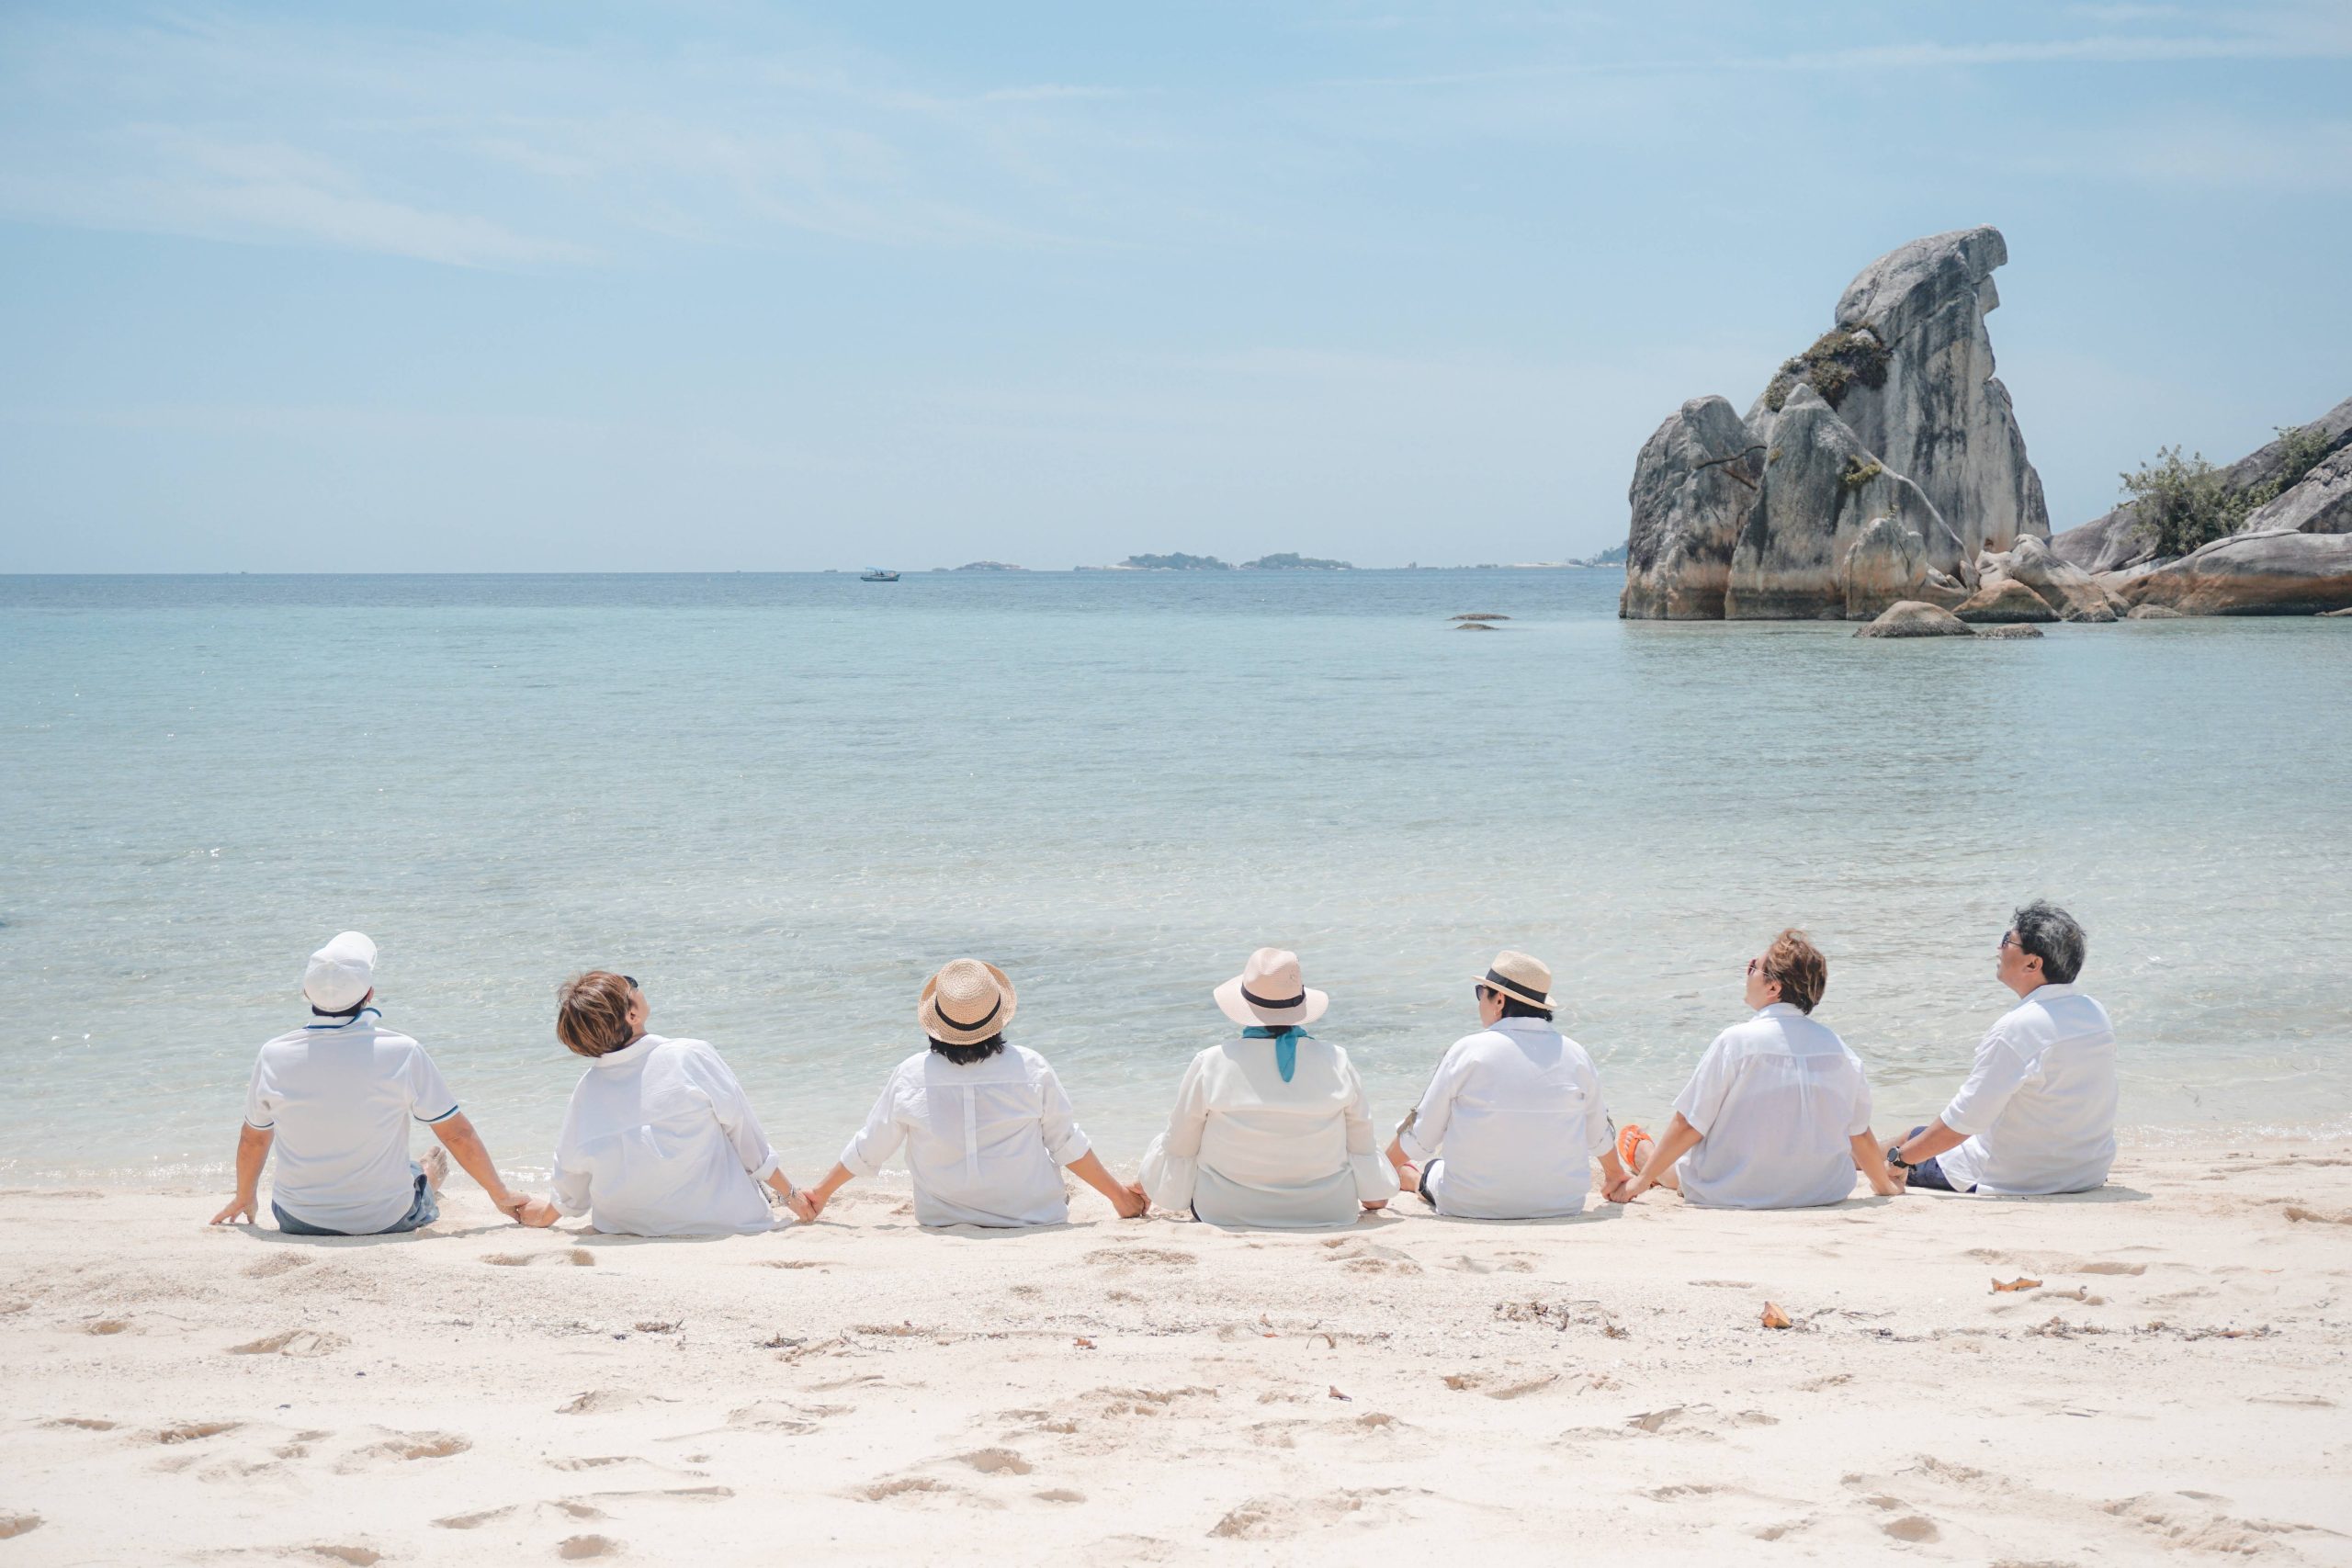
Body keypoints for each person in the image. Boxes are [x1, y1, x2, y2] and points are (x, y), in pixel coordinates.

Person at [211, 931, 549, 1233]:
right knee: (421, 1169)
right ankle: (427, 1175)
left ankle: (422, 1170)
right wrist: (500, 1194)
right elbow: (457, 1134)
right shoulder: (402, 1051)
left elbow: (253, 1139)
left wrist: (245, 1196)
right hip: (388, 1218)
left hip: (297, 1219)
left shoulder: (273, 1054)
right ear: (370, 994)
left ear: (305, 992)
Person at [799, 960, 1145, 1227]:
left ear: (935, 1020)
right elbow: (1067, 1143)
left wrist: (820, 1194)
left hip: (941, 1217)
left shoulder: (910, 1074)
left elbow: (871, 1145)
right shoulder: (1031, 1068)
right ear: (999, 1018)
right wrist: (1120, 1198)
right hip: (1033, 1214)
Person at [1612, 930, 1900, 1208]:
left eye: (1753, 967)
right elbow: (1859, 1134)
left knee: (1679, 1171)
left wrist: (1637, 1185)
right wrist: (1884, 1187)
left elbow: (1689, 1124)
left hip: (1734, 1189)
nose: (1747, 972)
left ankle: (1643, 1156)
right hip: (1822, 1190)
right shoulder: (1842, 1051)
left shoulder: (1736, 1042)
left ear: (1774, 988)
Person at [521, 971, 818, 1235]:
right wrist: (792, 1197)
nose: (637, 986)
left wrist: (546, 1215)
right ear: (632, 1016)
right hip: (719, 1219)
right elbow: (746, 1138)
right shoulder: (689, 1055)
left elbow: (571, 1169)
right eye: (632, 985)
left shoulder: (586, 1088)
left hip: (623, 1226)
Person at [1132, 947, 1396, 1228]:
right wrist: (1374, 1192)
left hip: (1224, 1210)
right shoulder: (1337, 1060)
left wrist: (1155, 1182)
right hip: (1328, 1209)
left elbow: (1180, 1144)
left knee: (1175, 1133)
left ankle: (1140, 1187)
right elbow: (1361, 1142)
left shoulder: (1211, 1062)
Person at [1884, 901, 2116, 1196]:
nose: (1998, 948)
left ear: (2033, 963)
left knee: (1909, 1140)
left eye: (2007, 941)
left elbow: (1963, 1122)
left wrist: (1900, 1160)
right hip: (2086, 1172)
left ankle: (1845, 1159)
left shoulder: (2017, 1028)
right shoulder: (2094, 1012)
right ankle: (1851, 1156)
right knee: (1915, 1136)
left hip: (2018, 1178)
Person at [1384, 950, 1626, 1218]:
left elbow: (1421, 1135)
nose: (1479, 1002)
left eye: (1480, 992)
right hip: (1562, 1203)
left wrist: (1377, 1174)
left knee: (1432, 1169)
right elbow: (1598, 1134)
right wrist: (1615, 1175)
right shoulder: (1575, 1053)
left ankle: (1410, 1178)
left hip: (1470, 1204)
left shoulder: (1467, 1051)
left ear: (1499, 1000)